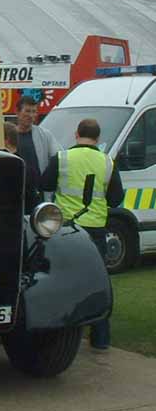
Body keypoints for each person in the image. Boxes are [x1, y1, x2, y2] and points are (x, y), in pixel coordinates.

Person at [41, 118, 124, 350]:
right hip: (96, 229)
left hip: (66, 229)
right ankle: (101, 338)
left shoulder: (62, 158)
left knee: (61, 279)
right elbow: (116, 198)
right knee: (98, 281)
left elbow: (44, 183)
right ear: (97, 139)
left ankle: (58, 335)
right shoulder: (107, 162)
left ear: (77, 135)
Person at [15, 95, 61, 210]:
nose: (31, 115)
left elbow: (58, 157)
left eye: (34, 112)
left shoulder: (45, 135)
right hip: (14, 192)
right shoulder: (8, 136)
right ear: (17, 112)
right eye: (27, 111)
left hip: (37, 194)